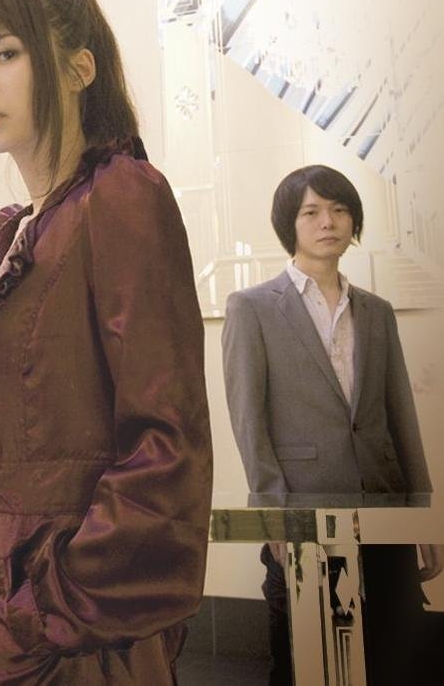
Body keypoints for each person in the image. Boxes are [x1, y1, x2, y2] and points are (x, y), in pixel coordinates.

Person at [0, 0, 213, 685]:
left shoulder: (120, 196)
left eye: (5, 53)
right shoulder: (24, 232)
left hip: (70, 626)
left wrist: (51, 607)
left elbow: (166, 440)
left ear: (79, 68)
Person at [222, 164, 442, 684]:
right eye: (312, 212)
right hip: (305, 513)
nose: (328, 222)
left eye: (340, 210)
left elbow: (401, 419)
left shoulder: (377, 311)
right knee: (304, 661)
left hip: (383, 510)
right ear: (290, 224)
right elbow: (248, 420)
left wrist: (422, 515)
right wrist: (273, 515)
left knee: (396, 656)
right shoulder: (252, 308)